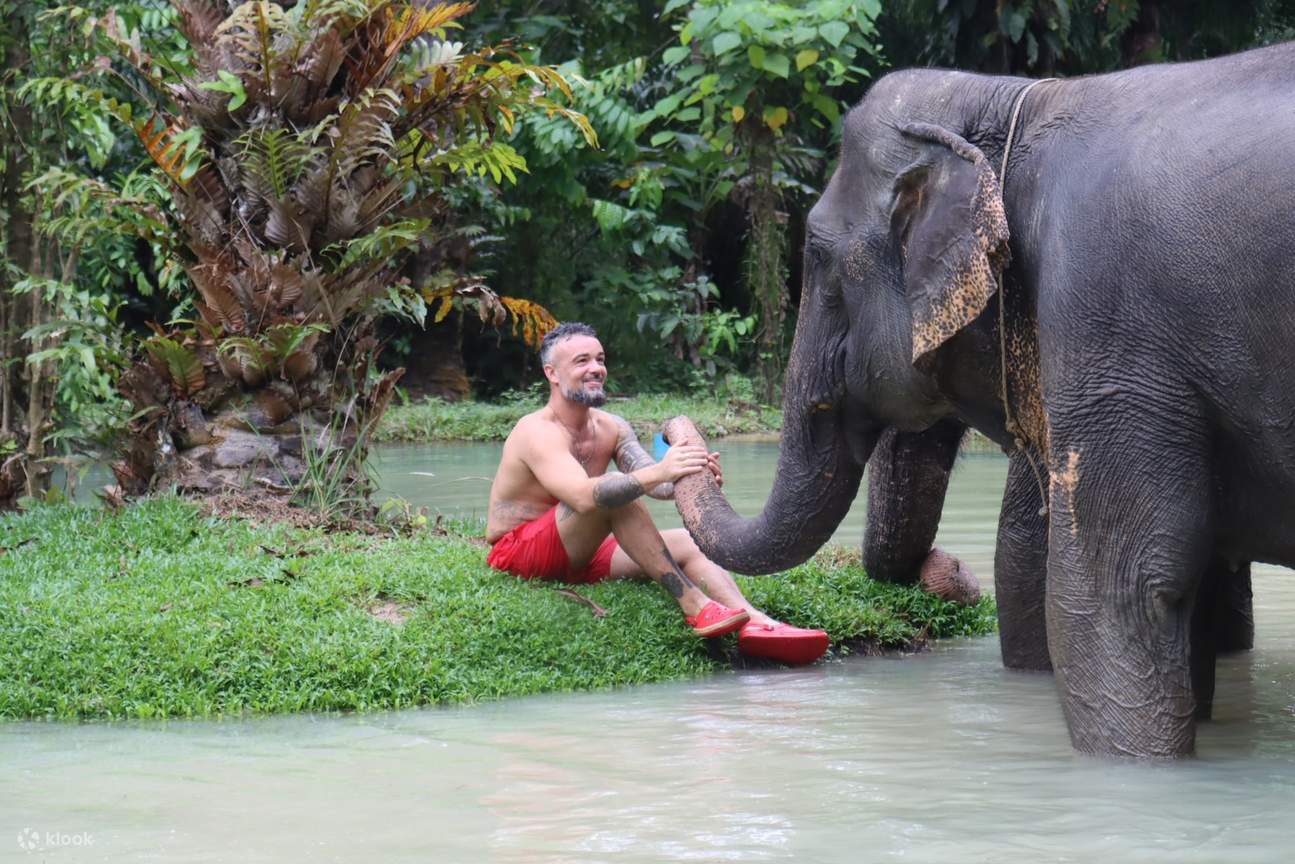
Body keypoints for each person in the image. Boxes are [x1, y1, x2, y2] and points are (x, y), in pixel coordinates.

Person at [484, 321, 829, 664]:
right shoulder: (536, 431)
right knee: (613, 496)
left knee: (689, 542)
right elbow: (582, 496)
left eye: (600, 359)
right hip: (520, 554)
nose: (596, 369)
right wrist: (663, 469)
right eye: (582, 361)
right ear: (552, 373)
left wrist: (692, 473)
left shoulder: (613, 427)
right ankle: (696, 606)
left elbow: (659, 484)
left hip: (583, 551)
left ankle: (754, 622)